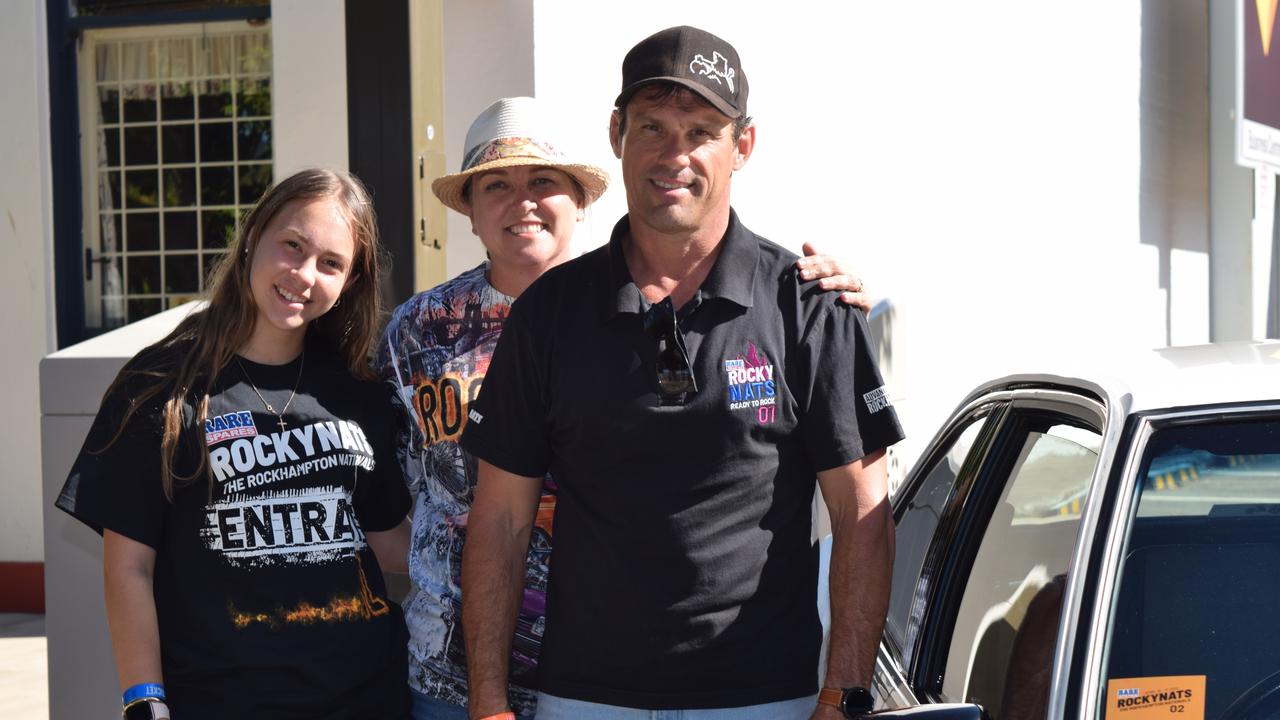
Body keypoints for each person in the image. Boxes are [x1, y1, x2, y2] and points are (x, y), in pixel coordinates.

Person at [377, 96, 872, 720]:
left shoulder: (650, 304)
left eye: (544, 181)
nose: (522, 201)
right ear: (469, 210)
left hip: (619, 674)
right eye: (496, 184)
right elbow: (379, 482)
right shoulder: (414, 332)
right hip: (461, 668)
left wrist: (830, 304)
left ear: (580, 201)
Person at [56, 169, 413, 720]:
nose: (304, 274)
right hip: (220, 701)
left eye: (331, 263)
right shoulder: (160, 388)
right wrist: (143, 697)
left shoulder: (357, 393)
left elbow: (389, 542)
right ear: (253, 236)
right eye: (292, 245)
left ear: (350, 281)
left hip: (366, 697)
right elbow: (128, 568)